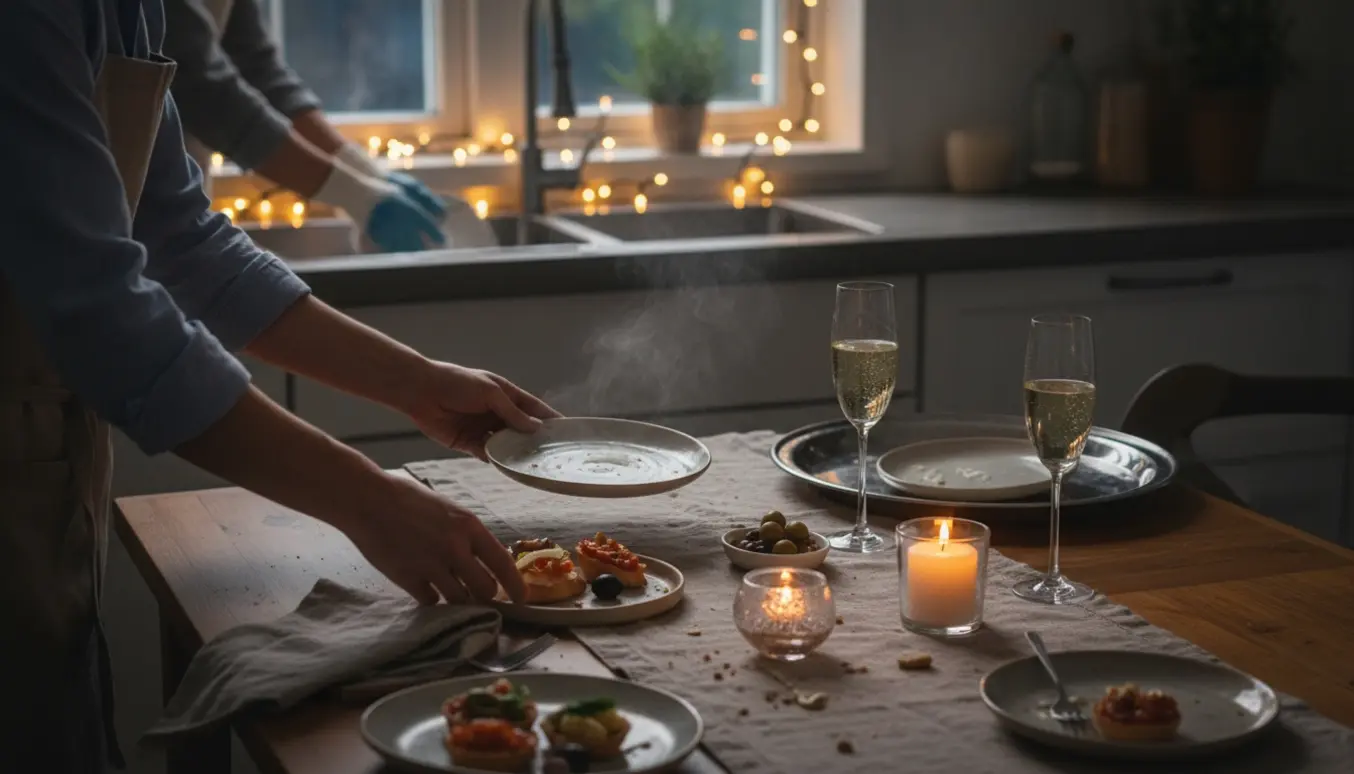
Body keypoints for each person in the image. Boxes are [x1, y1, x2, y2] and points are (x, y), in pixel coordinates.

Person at [0, 1, 555, 771]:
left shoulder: (135, 11)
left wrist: (419, 383)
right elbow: (101, 312)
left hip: (45, 452)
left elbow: (183, 240)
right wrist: (372, 501)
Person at [161, 0, 487, 253]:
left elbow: (255, 68)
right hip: (135, 208)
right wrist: (358, 194)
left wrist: (368, 174)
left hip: (181, 213)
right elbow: (200, 86)